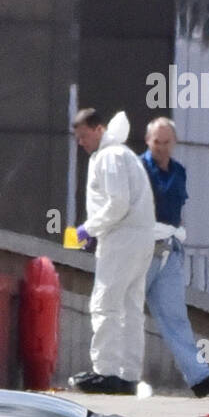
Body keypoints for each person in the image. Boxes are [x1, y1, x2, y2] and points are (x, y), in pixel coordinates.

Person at [68, 108, 156, 395]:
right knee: (131, 307)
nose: (81, 143)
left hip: (121, 239)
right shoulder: (124, 154)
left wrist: (88, 229)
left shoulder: (109, 156)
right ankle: (129, 375)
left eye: (83, 136)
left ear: (99, 129)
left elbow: (117, 203)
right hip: (140, 237)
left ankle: (104, 370)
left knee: (105, 304)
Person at [141, 117, 209, 398]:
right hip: (142, 249)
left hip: (168, 249)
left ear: (174, 143)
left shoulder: (179, 171)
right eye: (157, 142)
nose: (161, 148)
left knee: (175, 317)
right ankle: (117, 375)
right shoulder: (138, 168)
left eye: (166, 142)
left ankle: (199, 377)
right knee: (126, 312)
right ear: (148, 142)